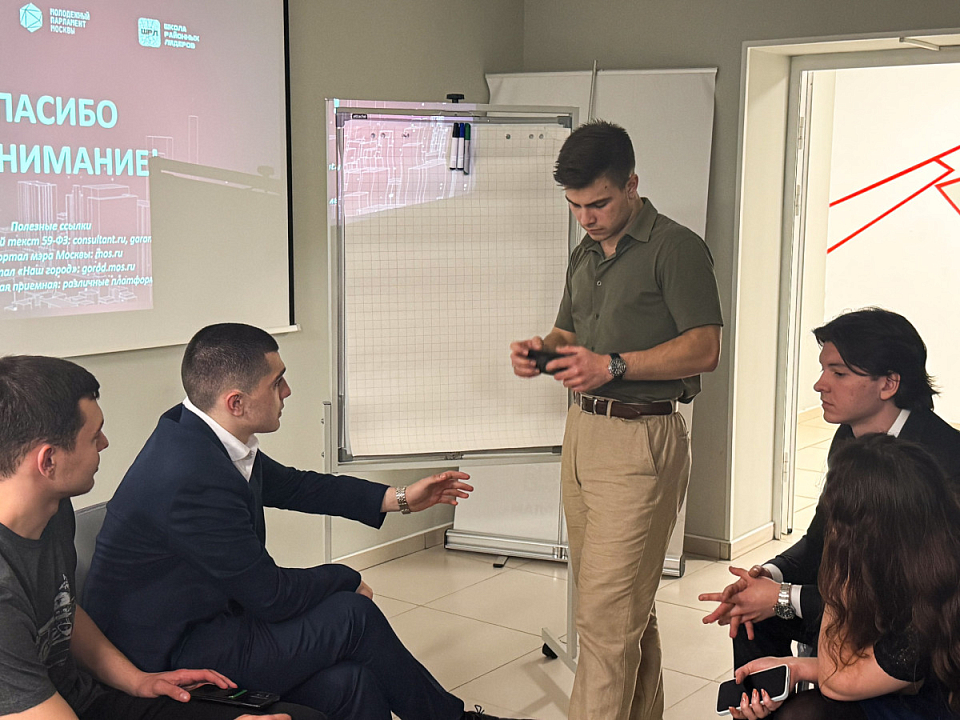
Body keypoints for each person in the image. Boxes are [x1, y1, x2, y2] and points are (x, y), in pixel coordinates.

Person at [83, 323, 521, 720]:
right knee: (353, 615)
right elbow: (271, 594)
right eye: (277, 382)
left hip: (210, 624)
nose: (287, 391)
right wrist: (345, 577)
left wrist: (400, 497)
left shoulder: (195, 431)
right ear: (236, 402)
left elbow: (297, 486)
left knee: (352, 682)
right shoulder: (191, 477)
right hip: (167, 657)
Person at [510, 120, 723, 720]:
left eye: (598, 203)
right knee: (623, 609)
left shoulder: (676, 248)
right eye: (575, 205)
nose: (586, 217)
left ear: (632, 184)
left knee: (605, 621)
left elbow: (705, 348)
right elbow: (567, 333)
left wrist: (614, 366)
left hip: (642, 438)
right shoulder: (585, 252)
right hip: (584, 434)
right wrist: (542, 351)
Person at [0, 354, 321, 720]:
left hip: (86, 699)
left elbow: (62, 610)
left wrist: (138, 680)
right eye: (93, 436)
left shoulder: (52, 511)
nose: (104, 443)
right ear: (48, 462)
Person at [700, 308, 960, 670]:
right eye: (823, 370)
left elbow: (911, 598)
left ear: (889, 384)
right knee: (748, 612)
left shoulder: (943, 460)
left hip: (915, 629)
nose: (820, 385)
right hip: (858, 605)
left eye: (838, 373)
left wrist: (783, 597)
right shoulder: (847, 438)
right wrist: (768, 576)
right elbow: (821, 538)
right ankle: (761, 698)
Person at [727, 434, 960, 720]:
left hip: (932, 706)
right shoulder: (926, 558)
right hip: (901, 681)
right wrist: (795, 667)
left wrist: (841, 570)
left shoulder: (926, 609)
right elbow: (888, 670)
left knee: (804, 714)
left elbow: (837, 681)